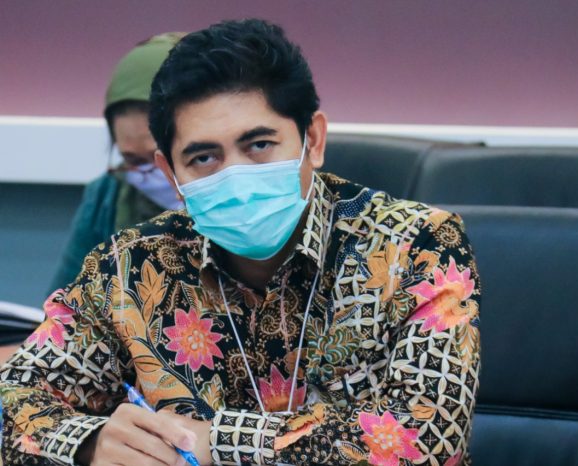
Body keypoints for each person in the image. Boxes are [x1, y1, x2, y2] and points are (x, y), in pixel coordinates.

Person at [0, 19, 481, 466]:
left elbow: (427, 440)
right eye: (204, 157)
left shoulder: (416, 246)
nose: (235, 176)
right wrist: (90, 443)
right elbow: (14, 400)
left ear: (313, 140)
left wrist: (216, 440)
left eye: (259, 145)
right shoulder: (130, 267)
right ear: (171, 173)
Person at [48, 33, 184, 293]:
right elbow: (62, 300)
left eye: (161, 157)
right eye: (133, 160)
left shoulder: (235, 200)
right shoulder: (105, 197)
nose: (151, 172)